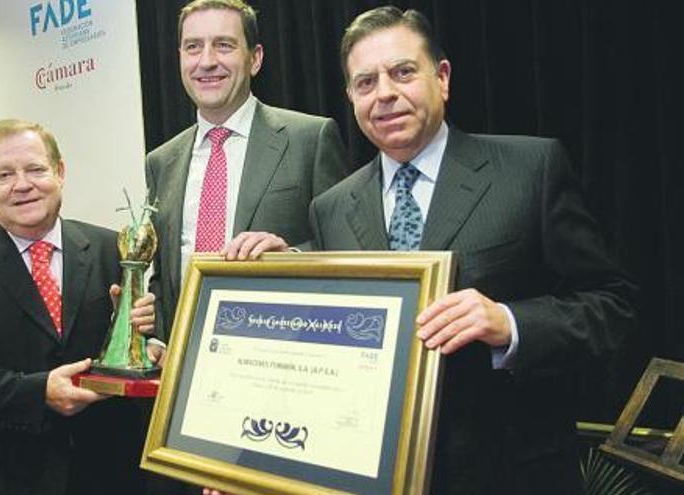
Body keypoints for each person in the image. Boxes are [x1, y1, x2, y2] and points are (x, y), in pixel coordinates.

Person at [223, 6, 636, 495]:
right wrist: (287, 261)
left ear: (441, 77)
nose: (385, 94)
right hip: (372, 477)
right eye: (366, 82)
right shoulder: (331, 208)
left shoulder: (530, 169)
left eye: (402, 72)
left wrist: (512, 323)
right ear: (351, 98)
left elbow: (614, 304)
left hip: (509, 473)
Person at [0, 119, 162, 494]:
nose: (22, 185)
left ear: (59, 172)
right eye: (4, 174)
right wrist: (37, 393)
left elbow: (140, 352)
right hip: (6, 478)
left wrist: (148, 342)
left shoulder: (115, 249)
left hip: (111, 473)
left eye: (35, 169)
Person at [146, 0, 350, 338]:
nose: (207, 61)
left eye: (223, 45)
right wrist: (152, 331)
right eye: (193, 47)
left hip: (282, 354)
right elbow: (166, 277)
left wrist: (290, 257)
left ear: (255, 58)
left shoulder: (310, 139)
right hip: (187, 362)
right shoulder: (160, 162)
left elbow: (348, 249)